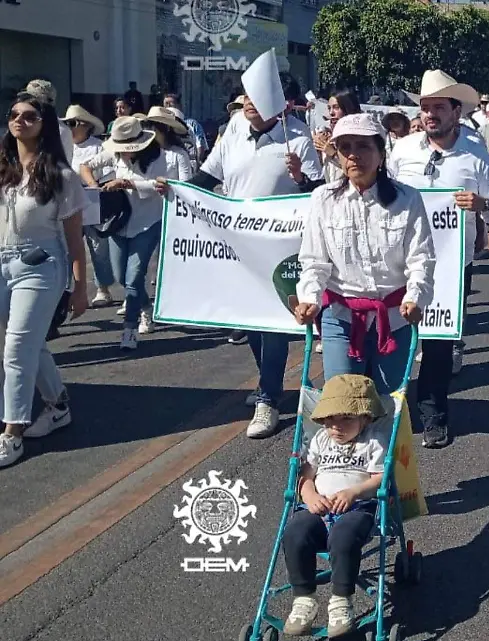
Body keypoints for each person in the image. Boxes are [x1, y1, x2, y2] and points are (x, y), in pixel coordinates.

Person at [181, 77, 324, 439]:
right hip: (240, 245)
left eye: (256, 96)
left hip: (281, 247)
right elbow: (207, 176)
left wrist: (300, 177)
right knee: (250, 319)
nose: (247, 101)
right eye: (245, 95)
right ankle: (268, 381)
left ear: (278, 103)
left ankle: (268, 399)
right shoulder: (233, 127)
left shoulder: (297, 138)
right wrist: (178, 193)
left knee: (274, 322)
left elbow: (319, 193)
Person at [388, 70, 489, 449]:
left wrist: (481, 204)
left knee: (438, 345)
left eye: (439, 107)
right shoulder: (403, 150)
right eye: (425, 107)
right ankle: (388, 416)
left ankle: (434, 417)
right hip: (401, 262)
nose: (430, 114)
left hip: (451, 267)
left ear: (456, 112)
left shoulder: (475, 155)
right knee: (395, 337)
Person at [294, 114, 435, 392]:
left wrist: (415, 297)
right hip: (341, 317)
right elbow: (314, 261)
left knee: (388, 399)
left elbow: (421, 258)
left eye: (363, 146)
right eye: (345, 147)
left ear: (381, 154)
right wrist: (309, 299)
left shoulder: (408, 199)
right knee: (342, 399)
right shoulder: (323, 198)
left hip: (394, 318)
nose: (353, 155)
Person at [0, 92, 90, 466]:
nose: (19, 120)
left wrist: (80, 287)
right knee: (29, 343)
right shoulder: (4, 169)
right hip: (2, 264)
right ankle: (58, 405)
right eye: (14, 114)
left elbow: (74, 239)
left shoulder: (61, 176)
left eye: (29, 116)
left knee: (16, 348)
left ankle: (12, 433)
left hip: (40, 266)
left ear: (44, 124)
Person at [282, 374, 390, 638]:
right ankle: (304, 598)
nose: (336, 427)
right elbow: (306, 475)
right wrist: (309, 495)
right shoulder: (321, 439)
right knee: (295, 532)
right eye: (330, 420)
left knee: (343, 538)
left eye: (346, 419)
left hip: (357, 508)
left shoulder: (373, 441)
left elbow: (380, 478)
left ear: (365, 418)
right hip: (317, 508)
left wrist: (354, 492)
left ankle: (341, 601)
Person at [79, 116, 178, 348]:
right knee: (122, 277)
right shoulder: (114, 154)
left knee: (134, 278)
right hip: (119, 223)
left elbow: (161, 185)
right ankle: (145, 307)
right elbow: (85, 166)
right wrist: (95, 188)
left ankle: (129, 329)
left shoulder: (159, 157)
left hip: (148, 223)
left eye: (126, 148)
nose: (122, 152)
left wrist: (125, 183)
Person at [61, 104, 115, 307]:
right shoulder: (63, 146)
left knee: (98, 246)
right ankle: (66, 291)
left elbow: (107, 174)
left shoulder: (98, 147)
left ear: (85, 125)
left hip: (91, 199)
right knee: (66, 248)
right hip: (68, 200)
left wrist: (93, 185)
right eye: (67, 124)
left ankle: (103, 288)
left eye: (73, 123)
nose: (70, 127)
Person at [314, 89, 363, 184]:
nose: (331, 113)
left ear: (348, 108)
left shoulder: (361, 136)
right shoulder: (328, 137)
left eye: (336, 107)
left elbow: (361, 167)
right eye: (329, 108)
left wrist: (334, 154)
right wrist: (319, 150)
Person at [22, 80, 73, 166]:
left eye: (33, 99)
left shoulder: (61, 130)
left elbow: (60, 166)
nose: (28, 102)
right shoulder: (20, 124)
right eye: (27, 98)